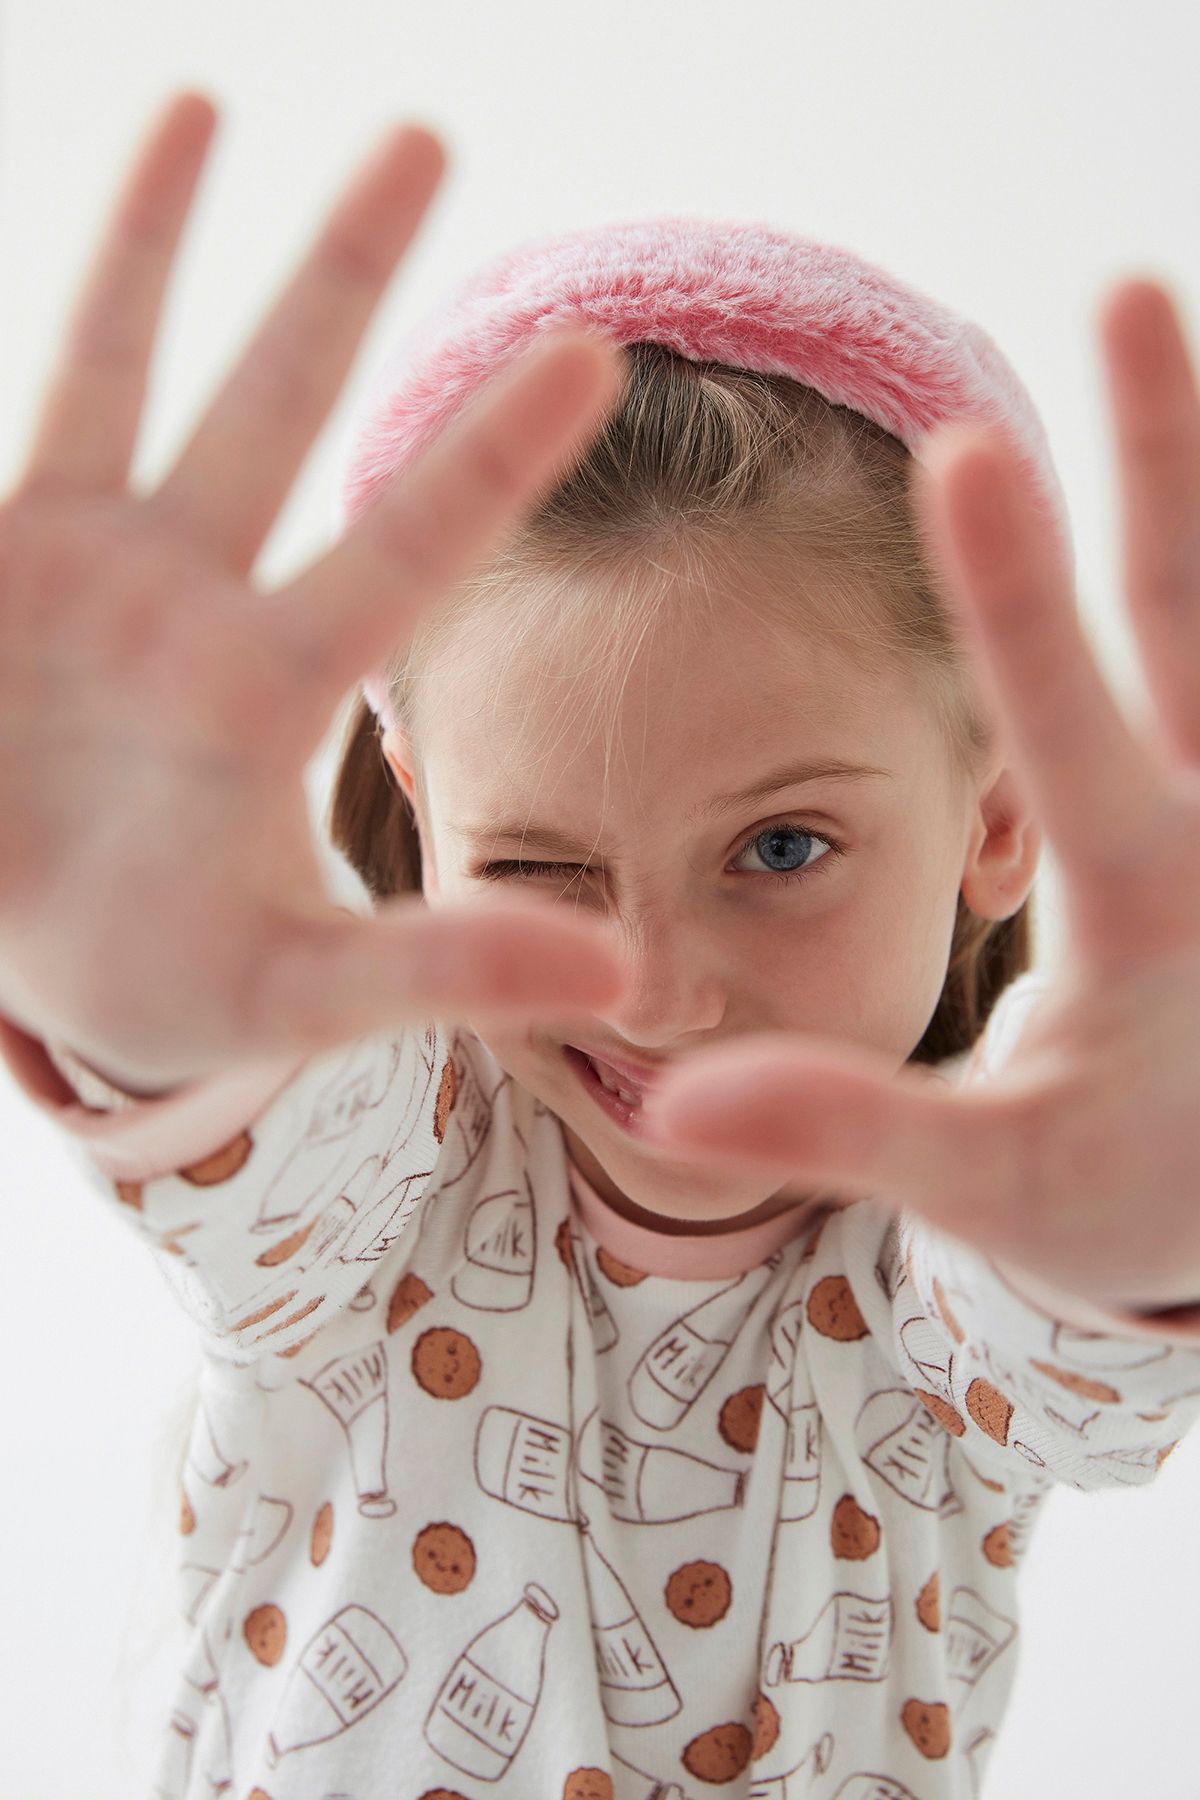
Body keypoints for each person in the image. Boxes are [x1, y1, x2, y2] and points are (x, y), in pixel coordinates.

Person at [2, 87, 1200, 1800]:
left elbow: (1058, 1364)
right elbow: (269, 1152)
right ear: (423, 816)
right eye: (541, 865)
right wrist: (143, 1002)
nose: (659, 989)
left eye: (782, 848)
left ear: (994, 828)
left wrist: (1153, 1218)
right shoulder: (382, 1187)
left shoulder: (951, 1279)